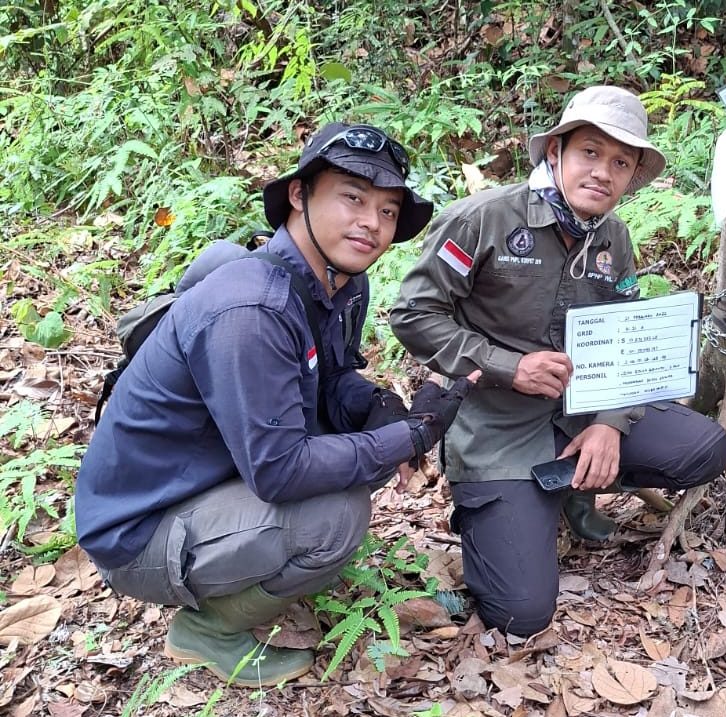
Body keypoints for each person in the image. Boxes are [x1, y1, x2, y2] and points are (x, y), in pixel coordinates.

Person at [76, 122, 477, 687]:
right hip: (137, 530)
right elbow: (281, 470)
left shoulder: (343, 282)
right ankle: (208, 631)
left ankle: (246, 564)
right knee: (336, 516)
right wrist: (411, 436)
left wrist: (380, 404)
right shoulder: (252, 309)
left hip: (208, 479)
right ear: (298, 194)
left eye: (388, 211)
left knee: (349, 470)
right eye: (353, 198)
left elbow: (329, 379)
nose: (372, 224)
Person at [389, 87, 726, 637]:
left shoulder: (614, 239)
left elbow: (625, 337)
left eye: (621, 162)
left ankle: (572, 487)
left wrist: (609, 424)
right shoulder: (483, 220)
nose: (603, 171)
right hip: (496, 427)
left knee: (704, 447)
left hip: (581, 409)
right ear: (556, 154)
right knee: (520, 614)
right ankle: (503, 509)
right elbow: (413, 314)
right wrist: (507, 366)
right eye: (590, 153)